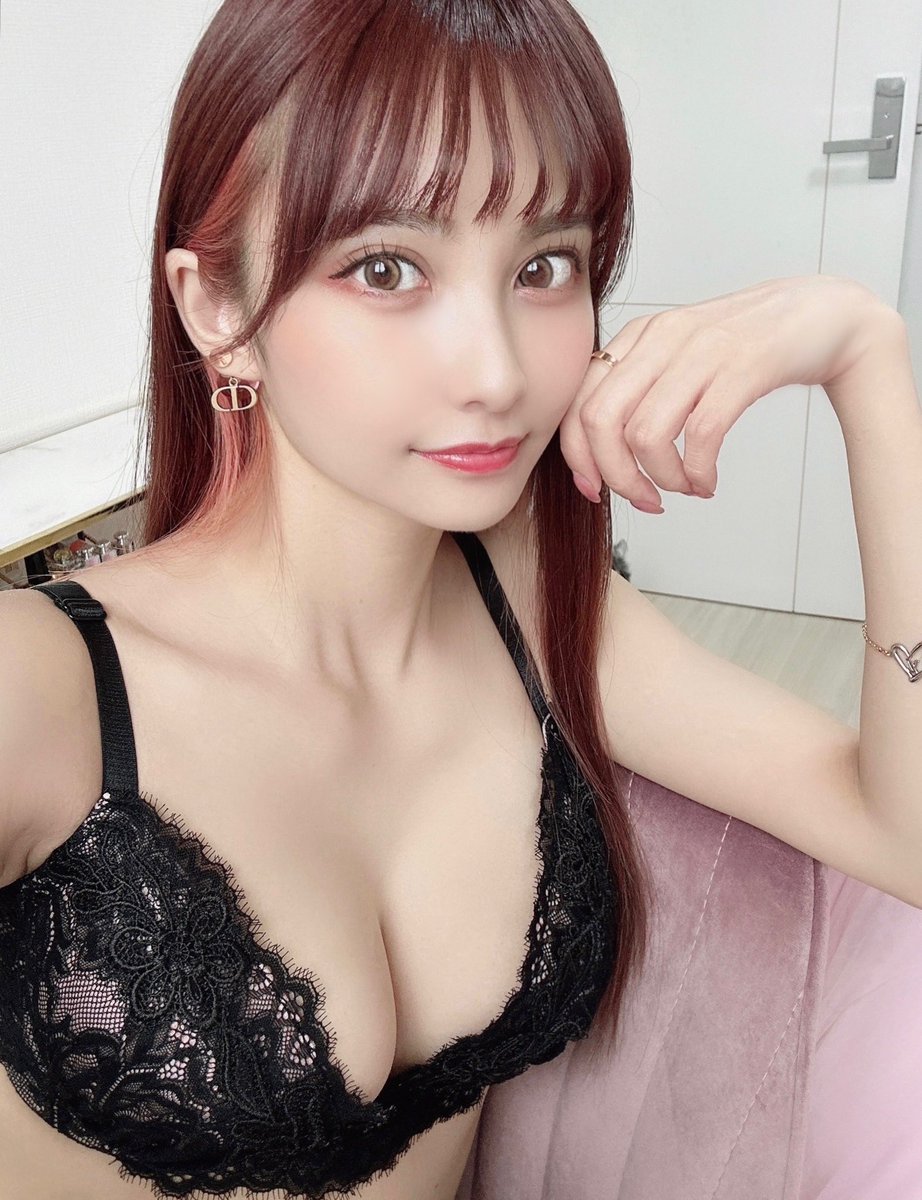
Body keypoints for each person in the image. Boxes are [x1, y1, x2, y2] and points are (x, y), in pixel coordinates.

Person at [2, 2, 920, 1198]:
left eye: (544, 267)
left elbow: (902, 834)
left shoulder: (532, 601)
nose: (494, 370)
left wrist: (864, 360)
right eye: (386, 268)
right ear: (216, 309)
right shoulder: (41, 690)